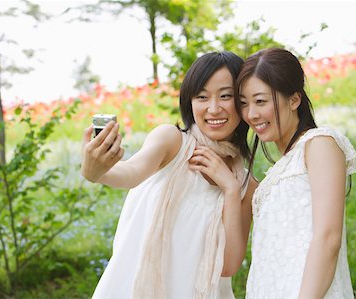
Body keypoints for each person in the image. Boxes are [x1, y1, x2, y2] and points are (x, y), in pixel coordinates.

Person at [81, 51, 258, 299]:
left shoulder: (246, 186)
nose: (214, 108)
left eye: (226, 96)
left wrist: (229, 188)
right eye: (202, 97)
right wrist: (96, 171)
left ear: (242, 101)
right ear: (190, 102)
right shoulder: (172, 142)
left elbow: (228, 266)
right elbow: (130, 173)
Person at [233, 48, 356, 298]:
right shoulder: (281, 168)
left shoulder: (319, 144)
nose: (251, 114)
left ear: (294, 99)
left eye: (260, 101)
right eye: (244, 104)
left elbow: (328, 238)